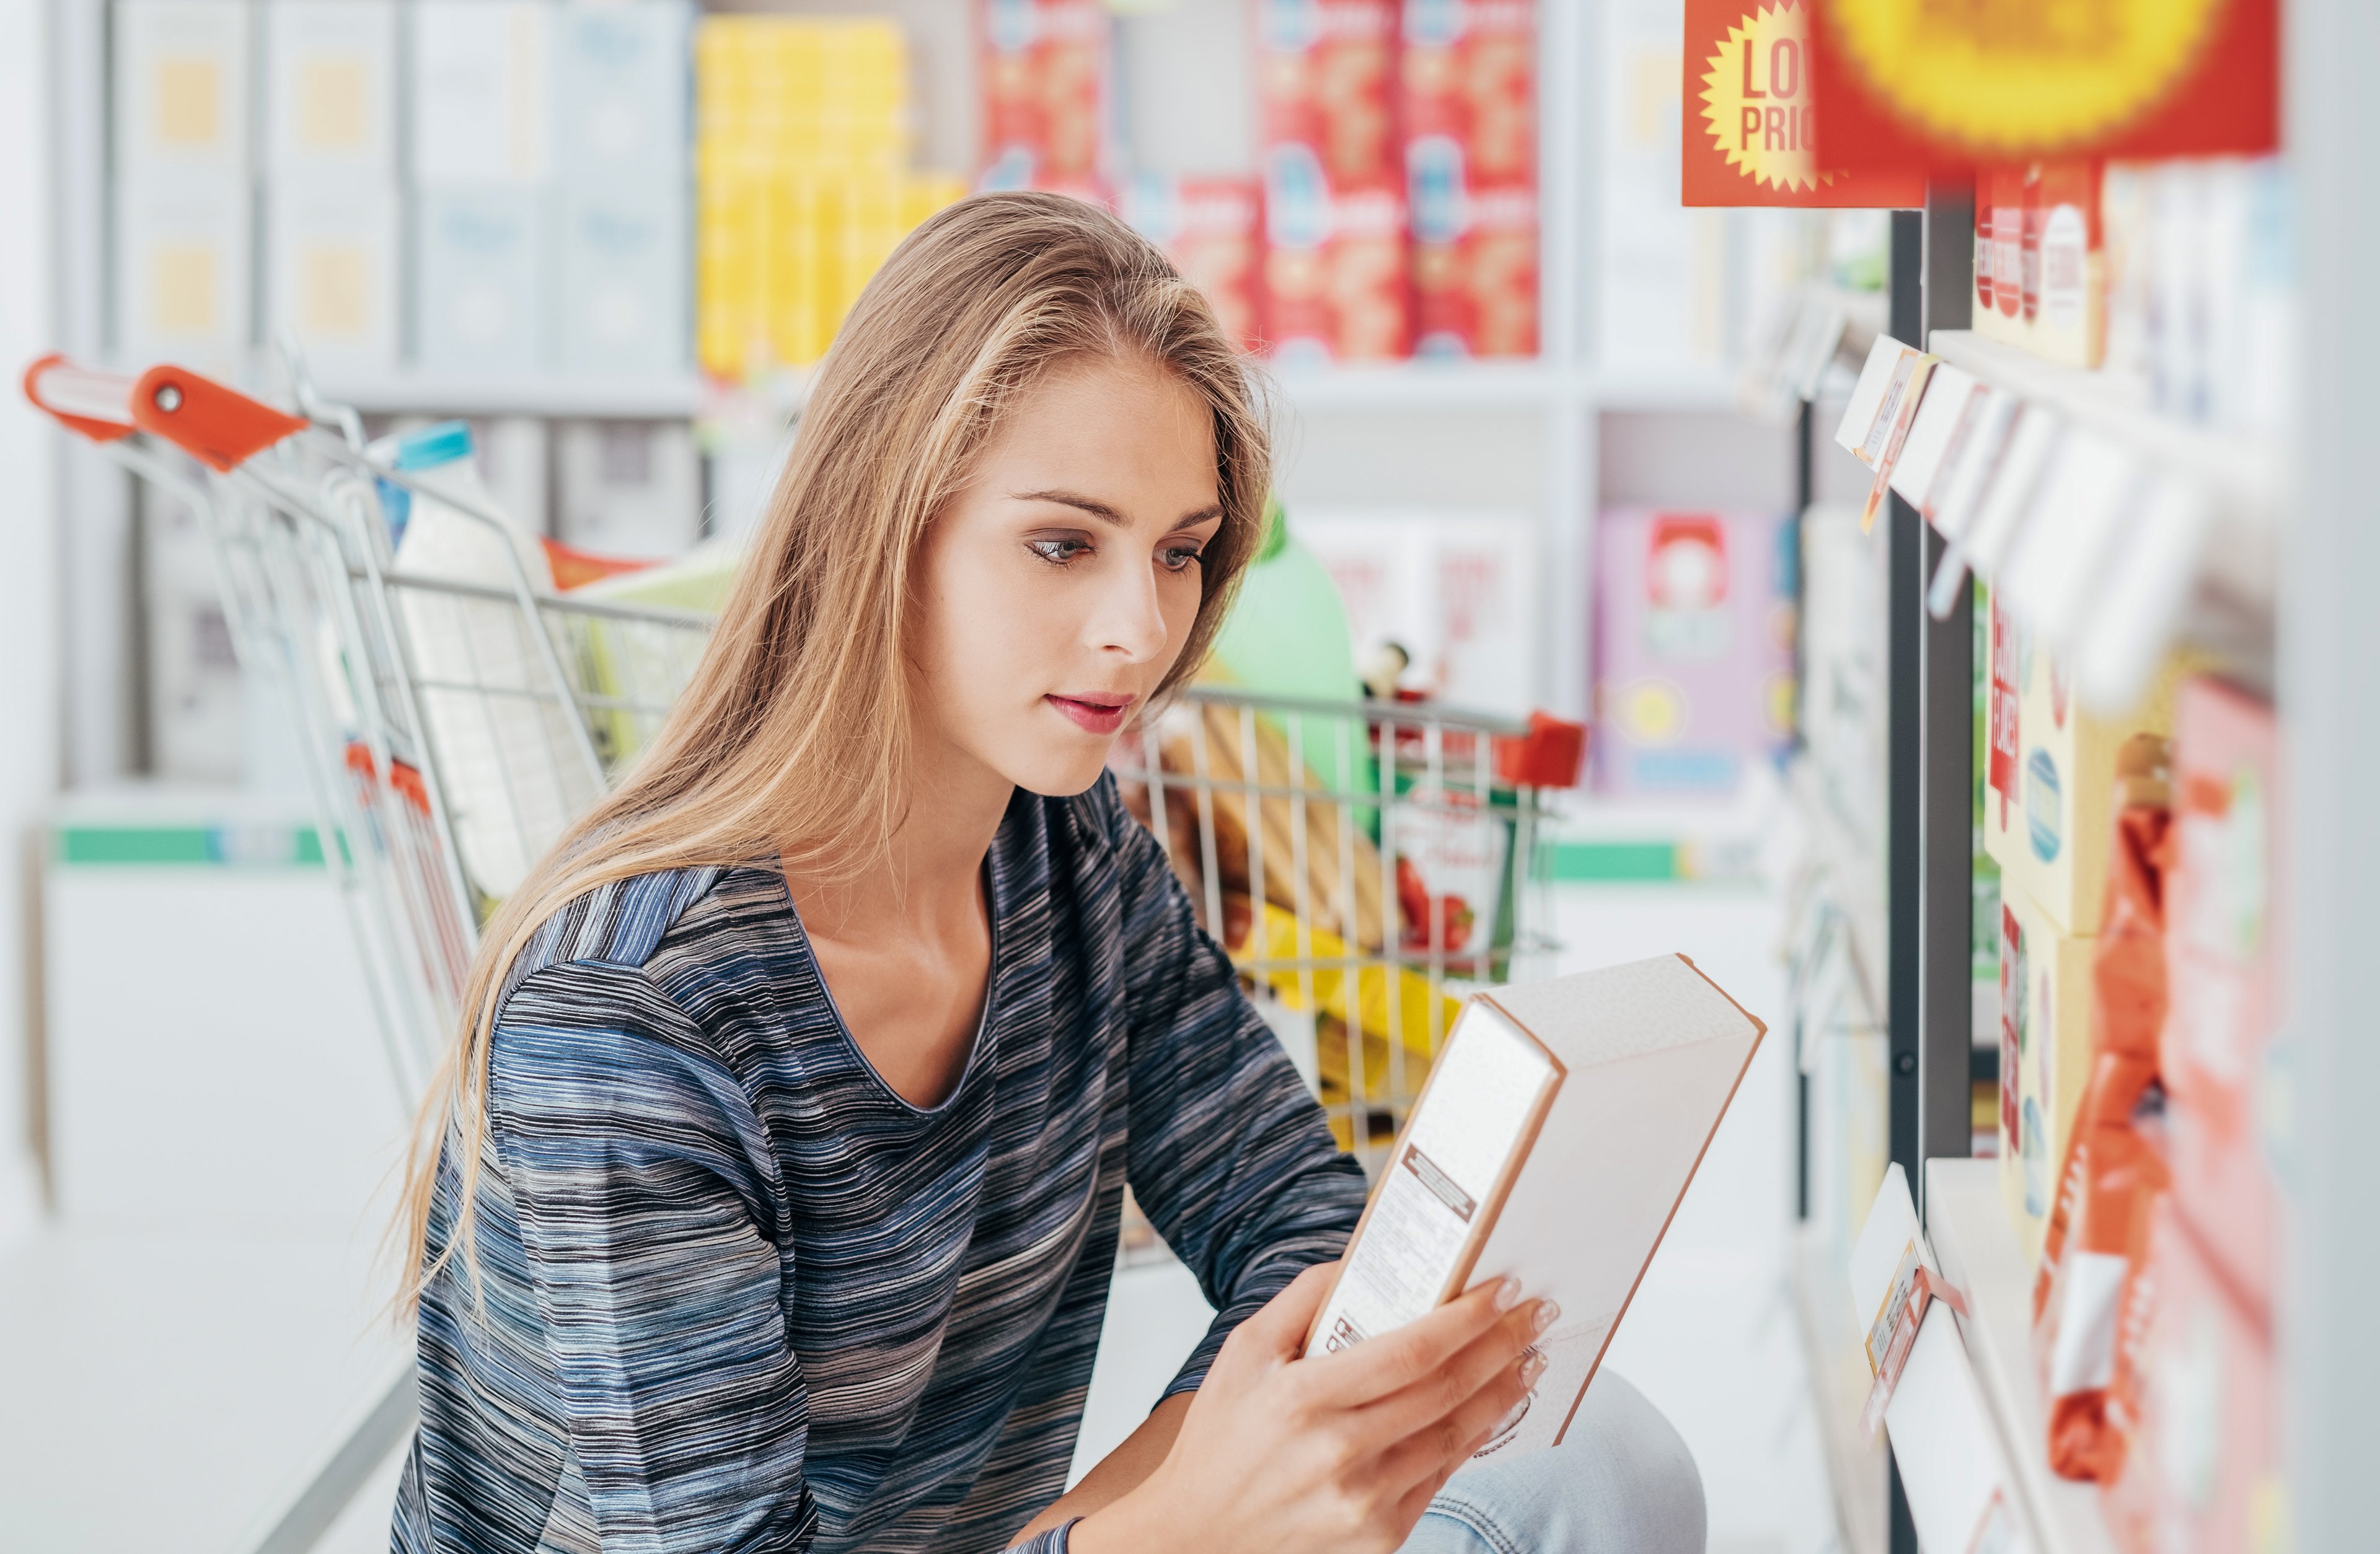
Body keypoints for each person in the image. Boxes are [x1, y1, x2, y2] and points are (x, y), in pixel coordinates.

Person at [390, 191, 1704, 1554]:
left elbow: (1302, 1228)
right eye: (1063, 543)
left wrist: (1157, 1518)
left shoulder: (1062, 852)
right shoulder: (628, 1017)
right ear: (878, 529)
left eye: (1179, 553)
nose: (1139, 629)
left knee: (1602, 1459)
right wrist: (1172, 1533)